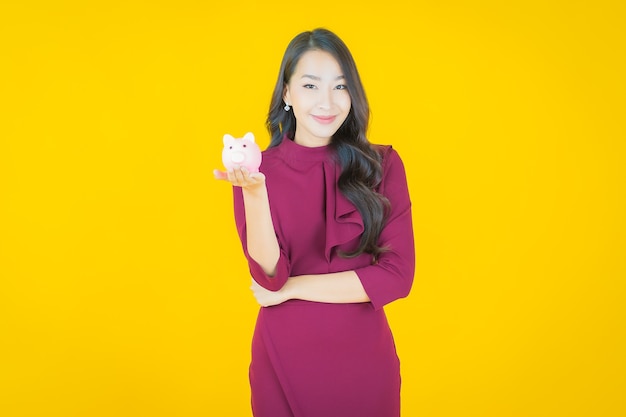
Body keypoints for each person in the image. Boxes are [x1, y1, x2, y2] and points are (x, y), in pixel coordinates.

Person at [214, 28, 415, 417]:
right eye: (310, 85)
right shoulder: (257, 170)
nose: (327, 102)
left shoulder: (383, 165)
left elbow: (397, 277)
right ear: (286, 93)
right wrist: (255, 194)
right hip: (282, 359)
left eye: (340, 87)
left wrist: (293, 289)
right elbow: (269, 277)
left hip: (365, 365)